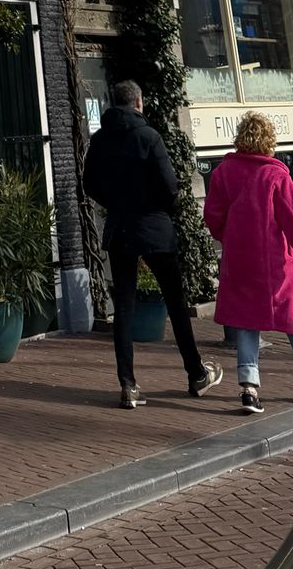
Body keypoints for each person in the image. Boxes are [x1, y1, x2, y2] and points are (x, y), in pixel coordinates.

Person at [82, 79, 222, 408]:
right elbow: (170, 186)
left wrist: (114, 203)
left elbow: (89, 184)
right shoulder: (149, 136)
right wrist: (157, 208)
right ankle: (196, 374)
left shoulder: (99, 140)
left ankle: (128, 384)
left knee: (124, 307)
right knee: (175, 302)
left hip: (120, 229)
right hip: (153, 227)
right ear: (139, 102)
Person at [203, 112, 293, 414]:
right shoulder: (276, 175)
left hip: (240, 260)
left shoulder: (224, 172)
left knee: (246, 322)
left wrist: (230, 236)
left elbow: (212, 215)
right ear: (268, 141)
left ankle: (249, 389)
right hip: (276, 262)